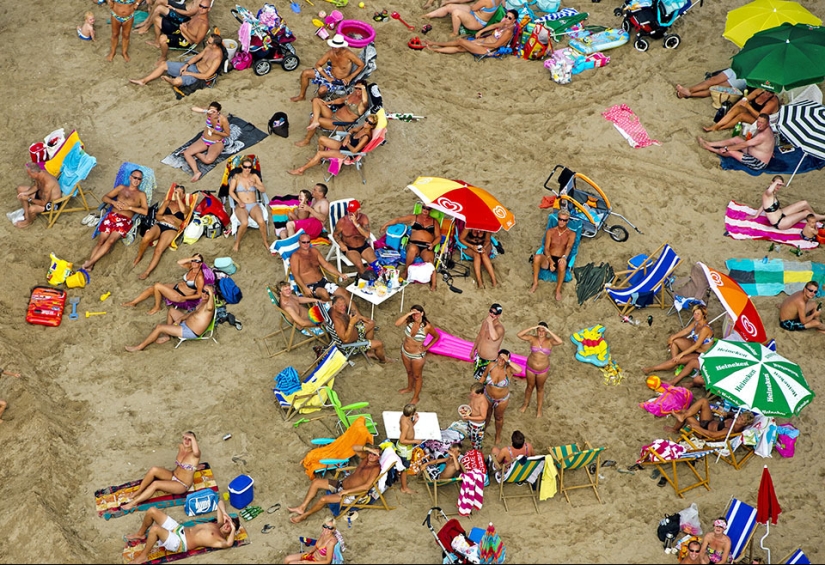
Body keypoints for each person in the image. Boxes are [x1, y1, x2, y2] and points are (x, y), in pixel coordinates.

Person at [288, 444, 382, 523]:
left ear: (379, 457)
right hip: (341, 484)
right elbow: (354, 447)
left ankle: (305, 515)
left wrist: (347, 491)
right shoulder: (366, 459)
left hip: (351, 495)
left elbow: (366, 487)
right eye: (371, 453)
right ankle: (302, 507)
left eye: (374, 454)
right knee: (316, 482)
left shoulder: (375, 469)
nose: (371, 455)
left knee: (323, 499)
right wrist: (369, 449)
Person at [125, 501, 236, 564]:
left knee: (155, 529)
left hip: (180, 542)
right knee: (152, 511)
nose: (227, 526)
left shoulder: (220, 540)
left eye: (230, 528)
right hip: (178, 528)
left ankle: (143, 556)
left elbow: (229, 544)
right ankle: (140, 534)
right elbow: (220, 502)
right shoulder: (219, 523)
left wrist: (233, 528)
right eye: (228, 523)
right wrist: (225, 514)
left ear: (231, 532)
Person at [82, 169, 149, 271]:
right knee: (101, 241)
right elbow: (104, 197)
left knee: (110, 241)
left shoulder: (141, 194)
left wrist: (129, 208)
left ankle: (90, 263)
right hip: (112, 216)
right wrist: (113, 203)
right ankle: (90, 265)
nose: (136, 180)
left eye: (139, 179)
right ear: (130, 177)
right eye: (135, 177)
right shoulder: (121, 188)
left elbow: (145, 211)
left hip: (125, 220)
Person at [121, 432, 201, 510]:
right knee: (154, 469)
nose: (186, 441)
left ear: (194, 441)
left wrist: (192, 437)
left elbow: (196, 453)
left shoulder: (194, 454)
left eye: (189, 439)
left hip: (182, 484)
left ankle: (133, 503)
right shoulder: (181, 447)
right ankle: (138, 492)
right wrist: (195, 466)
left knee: (156, 484)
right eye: (185, 438)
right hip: (173, 475)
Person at [125, 285, 216, 351]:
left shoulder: (209, 306)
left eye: (207, 293)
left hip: (190, 331)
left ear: (211, 295)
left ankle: (139, 347)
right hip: (186, 323)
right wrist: (181, 318)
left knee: (159, 327)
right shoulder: (203, 302)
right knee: (172, 311)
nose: (204, 294)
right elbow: (193, 312)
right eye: (203, 291)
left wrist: (211, 293)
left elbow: (210, 307)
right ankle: (167, 336)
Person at [132, 184, 191, 280]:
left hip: (171, 229)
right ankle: (139, 256)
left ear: (184, 195)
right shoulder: (167, 202)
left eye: (180, 193)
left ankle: (147, 272)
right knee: (146, 238)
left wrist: (178, 198)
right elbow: (157, 216)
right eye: (176, 192)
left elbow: (184, 211)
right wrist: (164, 217)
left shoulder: (187, 207)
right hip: (160, 224)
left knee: (158, 250)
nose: (177, 194)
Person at [288, 115, 376, 176]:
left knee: (320, 153)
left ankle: (301, 170)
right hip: (343, 145)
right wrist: (347, 137)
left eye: (370, 123)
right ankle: (318, 161)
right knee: (321, 139)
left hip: (347, 153)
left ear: (372, 126)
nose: (366, 123)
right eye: (366, 120)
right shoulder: (362, 128)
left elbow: (354, 151)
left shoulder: (365, 137)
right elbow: (352, 130)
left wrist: (347, 144)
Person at [380, 204, 442, 290]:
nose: (425, 209)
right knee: (412, 249)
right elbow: (398, 220)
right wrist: (385, 225)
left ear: (430, 210)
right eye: (424, 207)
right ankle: (406, 271)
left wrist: (433, 244)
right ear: (421, 207)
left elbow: (438, 237)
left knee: (430, 261)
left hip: (427, 245)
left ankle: (434, 284)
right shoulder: (414, 217)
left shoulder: (434, 222)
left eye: (428, 208)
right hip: (414, 243)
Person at [129, 34, 224, 90]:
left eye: (209, 42)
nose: (207, 43)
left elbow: (206, 76)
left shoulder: (217, 59)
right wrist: (186, 65)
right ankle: (143, 81)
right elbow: (198, 57)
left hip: (198, 75)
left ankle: (170, 80)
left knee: (177, 81)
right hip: (192, 67)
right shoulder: (208, 48)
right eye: (207, 41)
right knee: (164, 64)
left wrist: (189, 73)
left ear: (215, 45)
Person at [294, 81, 370, 148]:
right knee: (316, 100)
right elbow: (341, 100)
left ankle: (307, 140)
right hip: (333, 115)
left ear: (364, 90)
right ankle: (316, 121)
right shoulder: (353, 94)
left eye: (360, 89)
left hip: (340, 124)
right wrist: (328, 103)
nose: (357, 90)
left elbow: (365, 101)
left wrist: (363, 88)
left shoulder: (363, 104)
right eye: (356, 88)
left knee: (313, 119)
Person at [643, 305, 714, 377]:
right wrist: (672, 337)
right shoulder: (696, 322)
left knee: (678, 358)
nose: (695, 316)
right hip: (693, 346)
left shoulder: (705, 329)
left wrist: (681, 354)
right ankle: (675, 363)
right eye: (694, 314)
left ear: (703, 315)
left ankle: (652, 368)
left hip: (700, 353)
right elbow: (686, 331)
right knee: (674, 341)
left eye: (698, 314)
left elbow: (697, 346)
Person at [122, 254, 206, 315]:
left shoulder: (199, 277)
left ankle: (157, 307)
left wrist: (184, 297)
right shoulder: (191, 267)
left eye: (197, 261)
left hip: (181, 296)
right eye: (193, 260)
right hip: (176, 287)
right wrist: (192, 258)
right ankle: (133, 302)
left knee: (157, 286)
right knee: (152, 288)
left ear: (201, 264)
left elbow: (198, 295)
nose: (195, 262)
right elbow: (179, 262)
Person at [290, 34, 365, 102]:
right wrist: (327, 77)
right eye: (333, 45)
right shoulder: (331, 52)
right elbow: (318, 65)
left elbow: (361, 65)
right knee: (305, 73)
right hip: (329, 73)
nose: (334, 48)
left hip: (339, 80)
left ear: (341, 46)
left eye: (336, 46)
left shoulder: (349, 54)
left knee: (321, 90)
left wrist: (350, 77)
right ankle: (301, 96)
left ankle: (319, 98)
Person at [394, 305, 440, 404]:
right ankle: (409, 388)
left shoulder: (427, 326)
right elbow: (397, 324)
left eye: (417, 314)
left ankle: (416, 397)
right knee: (409, 372)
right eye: (413, 314)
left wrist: (427, 347)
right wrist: (409, 314)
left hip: (417, 356)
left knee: (417, 376)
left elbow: (436, 337)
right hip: (405, 352)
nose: (415, 316)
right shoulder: (409, 321)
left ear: (422, 313)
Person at [289, 234, 352, 306]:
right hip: (310, 286)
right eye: (303, 242)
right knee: (324, 293)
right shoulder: (295, 256)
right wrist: (304, 288)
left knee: (344, 292)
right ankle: (333, 312)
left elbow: (326, 264)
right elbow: (295, 275)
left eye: (308, 242)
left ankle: (358, 315)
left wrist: (340, 274)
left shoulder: (314, 251)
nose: (306, 244)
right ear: (299, 242)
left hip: (323, 281)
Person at [698, 113, 775, 171]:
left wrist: (727, 148)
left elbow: (744, 145)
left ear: (767, 124)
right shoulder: (765, 128)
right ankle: (710, 143)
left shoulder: (763, 136)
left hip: (757, 162)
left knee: (731, 152)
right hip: (752, 150)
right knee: (736, 139)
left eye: (762, 123)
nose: (759, 124)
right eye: (758, 122)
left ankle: (709, 148)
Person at [516, 322, 562, 418]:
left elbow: (560, 341)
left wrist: (549, 331)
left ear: (546, 332)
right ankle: (525, 404)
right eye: (539, 330)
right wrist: (532, 327)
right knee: (529, 387)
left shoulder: (550, 341)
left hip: (543, 370)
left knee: (540, 388)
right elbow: (519, 335)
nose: (541, 332)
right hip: (530, 367)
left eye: (543, 331)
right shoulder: (533, 338)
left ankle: (539, 409)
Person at [748, 175, 825, 230]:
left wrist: (756, 215)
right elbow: (769, 191)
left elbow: (763, 205)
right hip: (780, 223)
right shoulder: (767, 193)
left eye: (780, 185)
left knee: (804, 203)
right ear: (772, 183)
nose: (778, 187)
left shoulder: (773, 193)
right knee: (805, 213)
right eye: (777, 184)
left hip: (781, 213)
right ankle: (821, 217)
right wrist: (775, 183)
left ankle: (814, 217)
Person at [330, 295, 390, 363]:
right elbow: (345, 339)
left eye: (344, 305)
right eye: (341, 306)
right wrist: (351, 323)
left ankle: (370, 352)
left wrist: (360, 317)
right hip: (351, 345)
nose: (343, 307)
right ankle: (383, 360)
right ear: (334, 306)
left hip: (354, 331)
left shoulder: (335, 310)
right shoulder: (337, 321)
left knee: (371, 323)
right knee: (379, 344)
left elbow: (345, 317)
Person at [426, 9, 518, 54]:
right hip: (482, 42)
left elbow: (496, 45)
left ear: (514, 21)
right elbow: (494, 25)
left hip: (487, 49)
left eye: (509, 18)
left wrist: (481, 44)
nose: (506, 18)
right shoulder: (504, 24)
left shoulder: (508, 32)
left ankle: (434, 45)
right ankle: (435, 47)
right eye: (506, 16)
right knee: (460, 47)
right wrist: (481, 31)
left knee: (460, 41)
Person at [531, 208, 575, 299]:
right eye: (560, 219)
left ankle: (558, 290)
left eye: (564, 220)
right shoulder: (550, 231)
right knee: (536, 258)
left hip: (560, 258)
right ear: (557, 219)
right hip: (548, 257)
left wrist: (564, 257)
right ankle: (535, 283)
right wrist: (550, 261)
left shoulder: (571, 234)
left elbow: (569, 247)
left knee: (562, 264)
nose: (561, 222)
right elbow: (546, 248)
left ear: (567, 221)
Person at [182, 102, 230, 182]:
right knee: (186, 153)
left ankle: (196, 153)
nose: (211, 113)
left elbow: (227, 134)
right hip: (204, 139)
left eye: (214, 111)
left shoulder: (223, 119)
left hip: (216, 142)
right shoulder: (208, 114)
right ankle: (196, 172)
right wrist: (205, 111)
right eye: (210, 110)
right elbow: (193, 108)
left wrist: (216, 132)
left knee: (208, 160)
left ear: (218, 112)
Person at [228, 157, 269, 252]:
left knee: (261, 222)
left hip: (253, 204)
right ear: (242, 166)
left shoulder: (254, 176)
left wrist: (255, 184)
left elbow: (263, 190)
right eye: (245, 167)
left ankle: (265, 241)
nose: (247, 169)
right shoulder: (236, 177)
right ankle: (237, 242)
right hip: (242, 205)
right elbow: (231, 192)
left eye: (249, 167)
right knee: (244, 223)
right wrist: (239, 201)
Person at [665, 398, 754, 438]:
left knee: (685, 413)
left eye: (741, 419)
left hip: (703, 433)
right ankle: (682, 417)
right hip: (709, 422)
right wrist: (727, 414)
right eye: (740, 416)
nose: (738, 418)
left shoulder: (730, 431)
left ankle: (675, 429)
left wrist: (697, 428)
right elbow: (732, 414)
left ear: (744, 424)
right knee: (704, 401)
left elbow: (712, 435)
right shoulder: (736, 418)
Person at [333, 199, 378, 276]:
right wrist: (341, 243)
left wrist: (356, 224)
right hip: (350, 248)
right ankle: (365, 281)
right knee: (360, 266)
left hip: (363, 246)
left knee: (375, 264)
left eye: (353, 211)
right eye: (349, 211)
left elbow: (366, 235)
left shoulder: (364, 218)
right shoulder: (342, 221)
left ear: (359, 210)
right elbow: (335, 234)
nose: (350, 213)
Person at [702, 88, 780, 132]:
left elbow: (761, 117)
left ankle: (721, 128)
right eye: (767, 91)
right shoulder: (759, 91)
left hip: (763, 120)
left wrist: (748, 107)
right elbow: (743, 100)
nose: (767, 94)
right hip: (753, 112)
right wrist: (731, 111)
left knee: (742, 116)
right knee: (738, 108)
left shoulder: (772, 102)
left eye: (771, 92)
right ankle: (716, 126)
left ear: (774, 93)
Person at [481, 349, 515, 446]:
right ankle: (483, 431)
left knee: (499, 418)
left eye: (503, 359)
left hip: (501, 400)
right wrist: (478, 389)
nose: (501, 360)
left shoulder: (508, 369)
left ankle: (498, 436)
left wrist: (508, 361)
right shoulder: (491, 365)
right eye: (500, 358)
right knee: (486, 415)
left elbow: (520, 370)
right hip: (488, 395)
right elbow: (483, 376)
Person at [14, 163, 61, 228]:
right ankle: (27, 216)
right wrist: (25, 193)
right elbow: (36, 186)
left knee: (32, 209)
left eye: (30, 175)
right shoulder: (40, 174)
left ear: (35, 173)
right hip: (41, 194)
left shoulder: (48, 184)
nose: (29, 176)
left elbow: (43, 203)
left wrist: (28, 199)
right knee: (20, 189)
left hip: (51, 204)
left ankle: (29, 221)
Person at [424, 0, 503, 37]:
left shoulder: (486, 1)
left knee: (456, 13)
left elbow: (473, 8)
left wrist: (475, 5)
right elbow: (503, 5)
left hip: (477, 21)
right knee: (449, 7)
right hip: (476, 13)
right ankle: (428, 15)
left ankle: (455, 33)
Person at [471, 303, 505, 381]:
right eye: (491, 311)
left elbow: (494, 337)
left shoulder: (499, 328)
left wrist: (490, 322)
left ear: (499, 315)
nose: (492, 314)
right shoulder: (485, 322)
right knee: (477, 379)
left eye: (495, 313)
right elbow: (480, 336)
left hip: (489, 361)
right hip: (479, 356)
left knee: (486, 382)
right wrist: (473, 350)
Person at [396, 404, 422, 494]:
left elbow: (408, 429)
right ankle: (404, 487)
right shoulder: (406, 424)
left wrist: (414, 421)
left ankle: (398, 477)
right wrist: (415, 441)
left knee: (401, 465)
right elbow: (402, 440)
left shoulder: (404, 417)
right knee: (405, 468)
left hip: (405, 447)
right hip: (405, 449)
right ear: (411, 414)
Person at [676, 68, 747, 99]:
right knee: (713, 80)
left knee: (717, 88)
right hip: (738, 68)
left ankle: (690, 94)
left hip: (745, 77)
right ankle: (689, 90)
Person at [463, 382, 488, 450]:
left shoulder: (483, 403)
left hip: (477, 426)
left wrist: (469, 417)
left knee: (476, 443)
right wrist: (466, 410)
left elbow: (483, 417)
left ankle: (477, 453)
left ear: (479, 393)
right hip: (471, 422)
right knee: (471, 437)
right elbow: (471, 404)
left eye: (473, 393)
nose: (471, 394)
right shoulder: (474, 396)